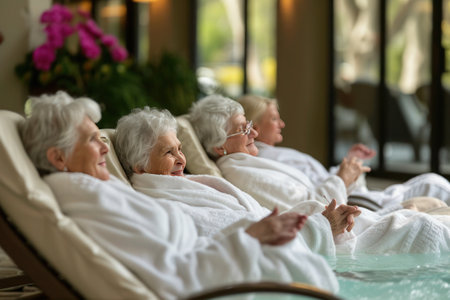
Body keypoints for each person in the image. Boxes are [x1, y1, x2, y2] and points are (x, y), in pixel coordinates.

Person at [20, 91, 339, 299]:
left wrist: (252, 235)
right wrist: (249, 238)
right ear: (59, 159)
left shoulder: (98, 193)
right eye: (92, 139)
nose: (105, 146)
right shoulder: (89, 202)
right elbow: (175, 279)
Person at [188, 94, 450, 254]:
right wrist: (342, 179)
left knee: (430, 211)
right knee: (424, 222)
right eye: (244, 129)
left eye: (250, 126)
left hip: (352, 216)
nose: (254, 133)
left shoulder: (248, 163)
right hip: (344, 228)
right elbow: (313, 209)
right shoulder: (239, 173)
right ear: (219, 145)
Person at [114, 107, 360, 256]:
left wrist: (320, 220)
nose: (181, 159)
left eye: (180, 149)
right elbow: (237, 239)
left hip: (305, 240)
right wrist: (319, 226)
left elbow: (257, 220)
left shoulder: (190, 185)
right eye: (169, 153)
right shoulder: (162, 205)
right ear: (140, 166)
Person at [237, 94, 450, 208]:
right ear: (253, 127)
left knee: (432, 182)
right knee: (433, 185)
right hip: (353, 203)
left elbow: (321, 180)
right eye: (274, 119)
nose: (282, 123)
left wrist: (349, 163)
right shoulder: (266, 160)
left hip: (350, 193)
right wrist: (345, 175)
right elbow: (316, 194)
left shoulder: (275, 155)